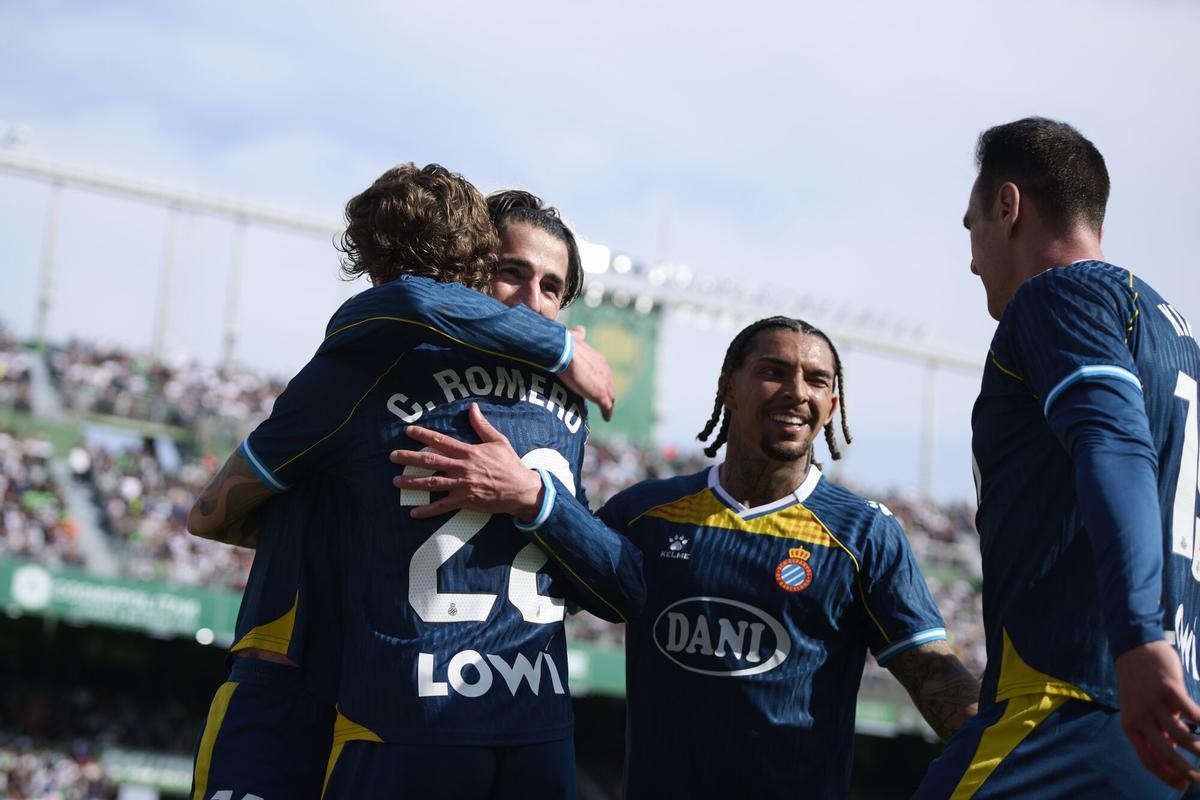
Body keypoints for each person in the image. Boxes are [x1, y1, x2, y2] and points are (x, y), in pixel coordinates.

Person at [190, 173, 644, 800]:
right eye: (512, 273)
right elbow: (404, 300)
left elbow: (209, 516)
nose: (532, 303)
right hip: (446, 724)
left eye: (552, 290)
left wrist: (533, 497)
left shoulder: (381, 365)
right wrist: (559, 348)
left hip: (476, 727)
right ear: (467, 268)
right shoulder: (554, 395)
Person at [392, 315, 981, 798]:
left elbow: (932, 674)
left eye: (817, 380)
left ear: (832, 403)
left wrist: (1015, 755)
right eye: (774, 371)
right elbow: (530, 603)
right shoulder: (645, 513)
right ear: (728, 384)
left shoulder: (865, 535)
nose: (797, 391)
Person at [914, 117, 1200, 798]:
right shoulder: (1177, 338)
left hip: (1073, 709)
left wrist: (1135, 637)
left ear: (1008, 206)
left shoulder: (1059, 295)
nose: (973, 257)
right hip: (1171, 732)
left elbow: (1113, 444)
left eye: (971, 226)